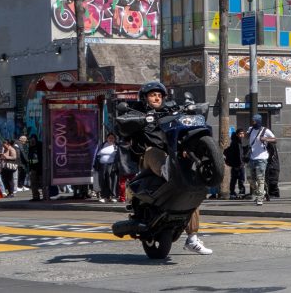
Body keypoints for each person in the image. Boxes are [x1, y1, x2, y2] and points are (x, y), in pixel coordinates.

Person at [127, 81, 212, 255]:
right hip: (149, 160)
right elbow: (122, 126)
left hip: (173, 156)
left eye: (159, 95)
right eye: (152, 95)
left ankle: (192, 239)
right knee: (153, 151)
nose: (157, 97)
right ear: (144, 98)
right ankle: (167, 171)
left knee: (191, 192)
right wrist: (133, 119)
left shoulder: (172, 111)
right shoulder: (137, 113)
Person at [247, 114, 276, 207]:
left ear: (259, 121)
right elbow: (248, 137)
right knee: (250, 178)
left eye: (254, 121)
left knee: (260, 178)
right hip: (252, 157)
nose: (253, 122)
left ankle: (259, 198)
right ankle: (262, 191)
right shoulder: (250, 129)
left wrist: (265, 139)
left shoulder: (265, 130)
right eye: (252, 121)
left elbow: (275, 139)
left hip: (262, 158)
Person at [92, 132, 119, 203]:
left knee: (111, 181)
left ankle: (112, 196)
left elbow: (119, 157)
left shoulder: (116, 146)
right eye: (109, 137)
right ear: (107, 138)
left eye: (112, 138)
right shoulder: (102, 145)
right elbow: (97, 155)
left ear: (115, 139)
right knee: (102, 181)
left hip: (112, 166)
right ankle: (104, 197)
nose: (111, 139)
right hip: (102, 165)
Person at [223, 129, 247, 199]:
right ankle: (240, 193)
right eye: (240, 133)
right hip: (238, 164)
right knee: (240, 179)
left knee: (234, 179)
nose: (242, 135)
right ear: (237, 134)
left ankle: (233, 193)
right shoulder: (236, 143)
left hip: (235, 164)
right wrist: (240, 164)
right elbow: (239, 154)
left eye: (243, 133)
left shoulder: (236, 141)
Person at [27, 135, 43, 201]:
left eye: (33, 140)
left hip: (40, 167)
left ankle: (45, 196)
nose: (31, 141)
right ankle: (35, 197)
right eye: (31, 140)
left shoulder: (40, 145)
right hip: (33, 167)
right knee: (33, 183)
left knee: (42, 183)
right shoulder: (30, 147)